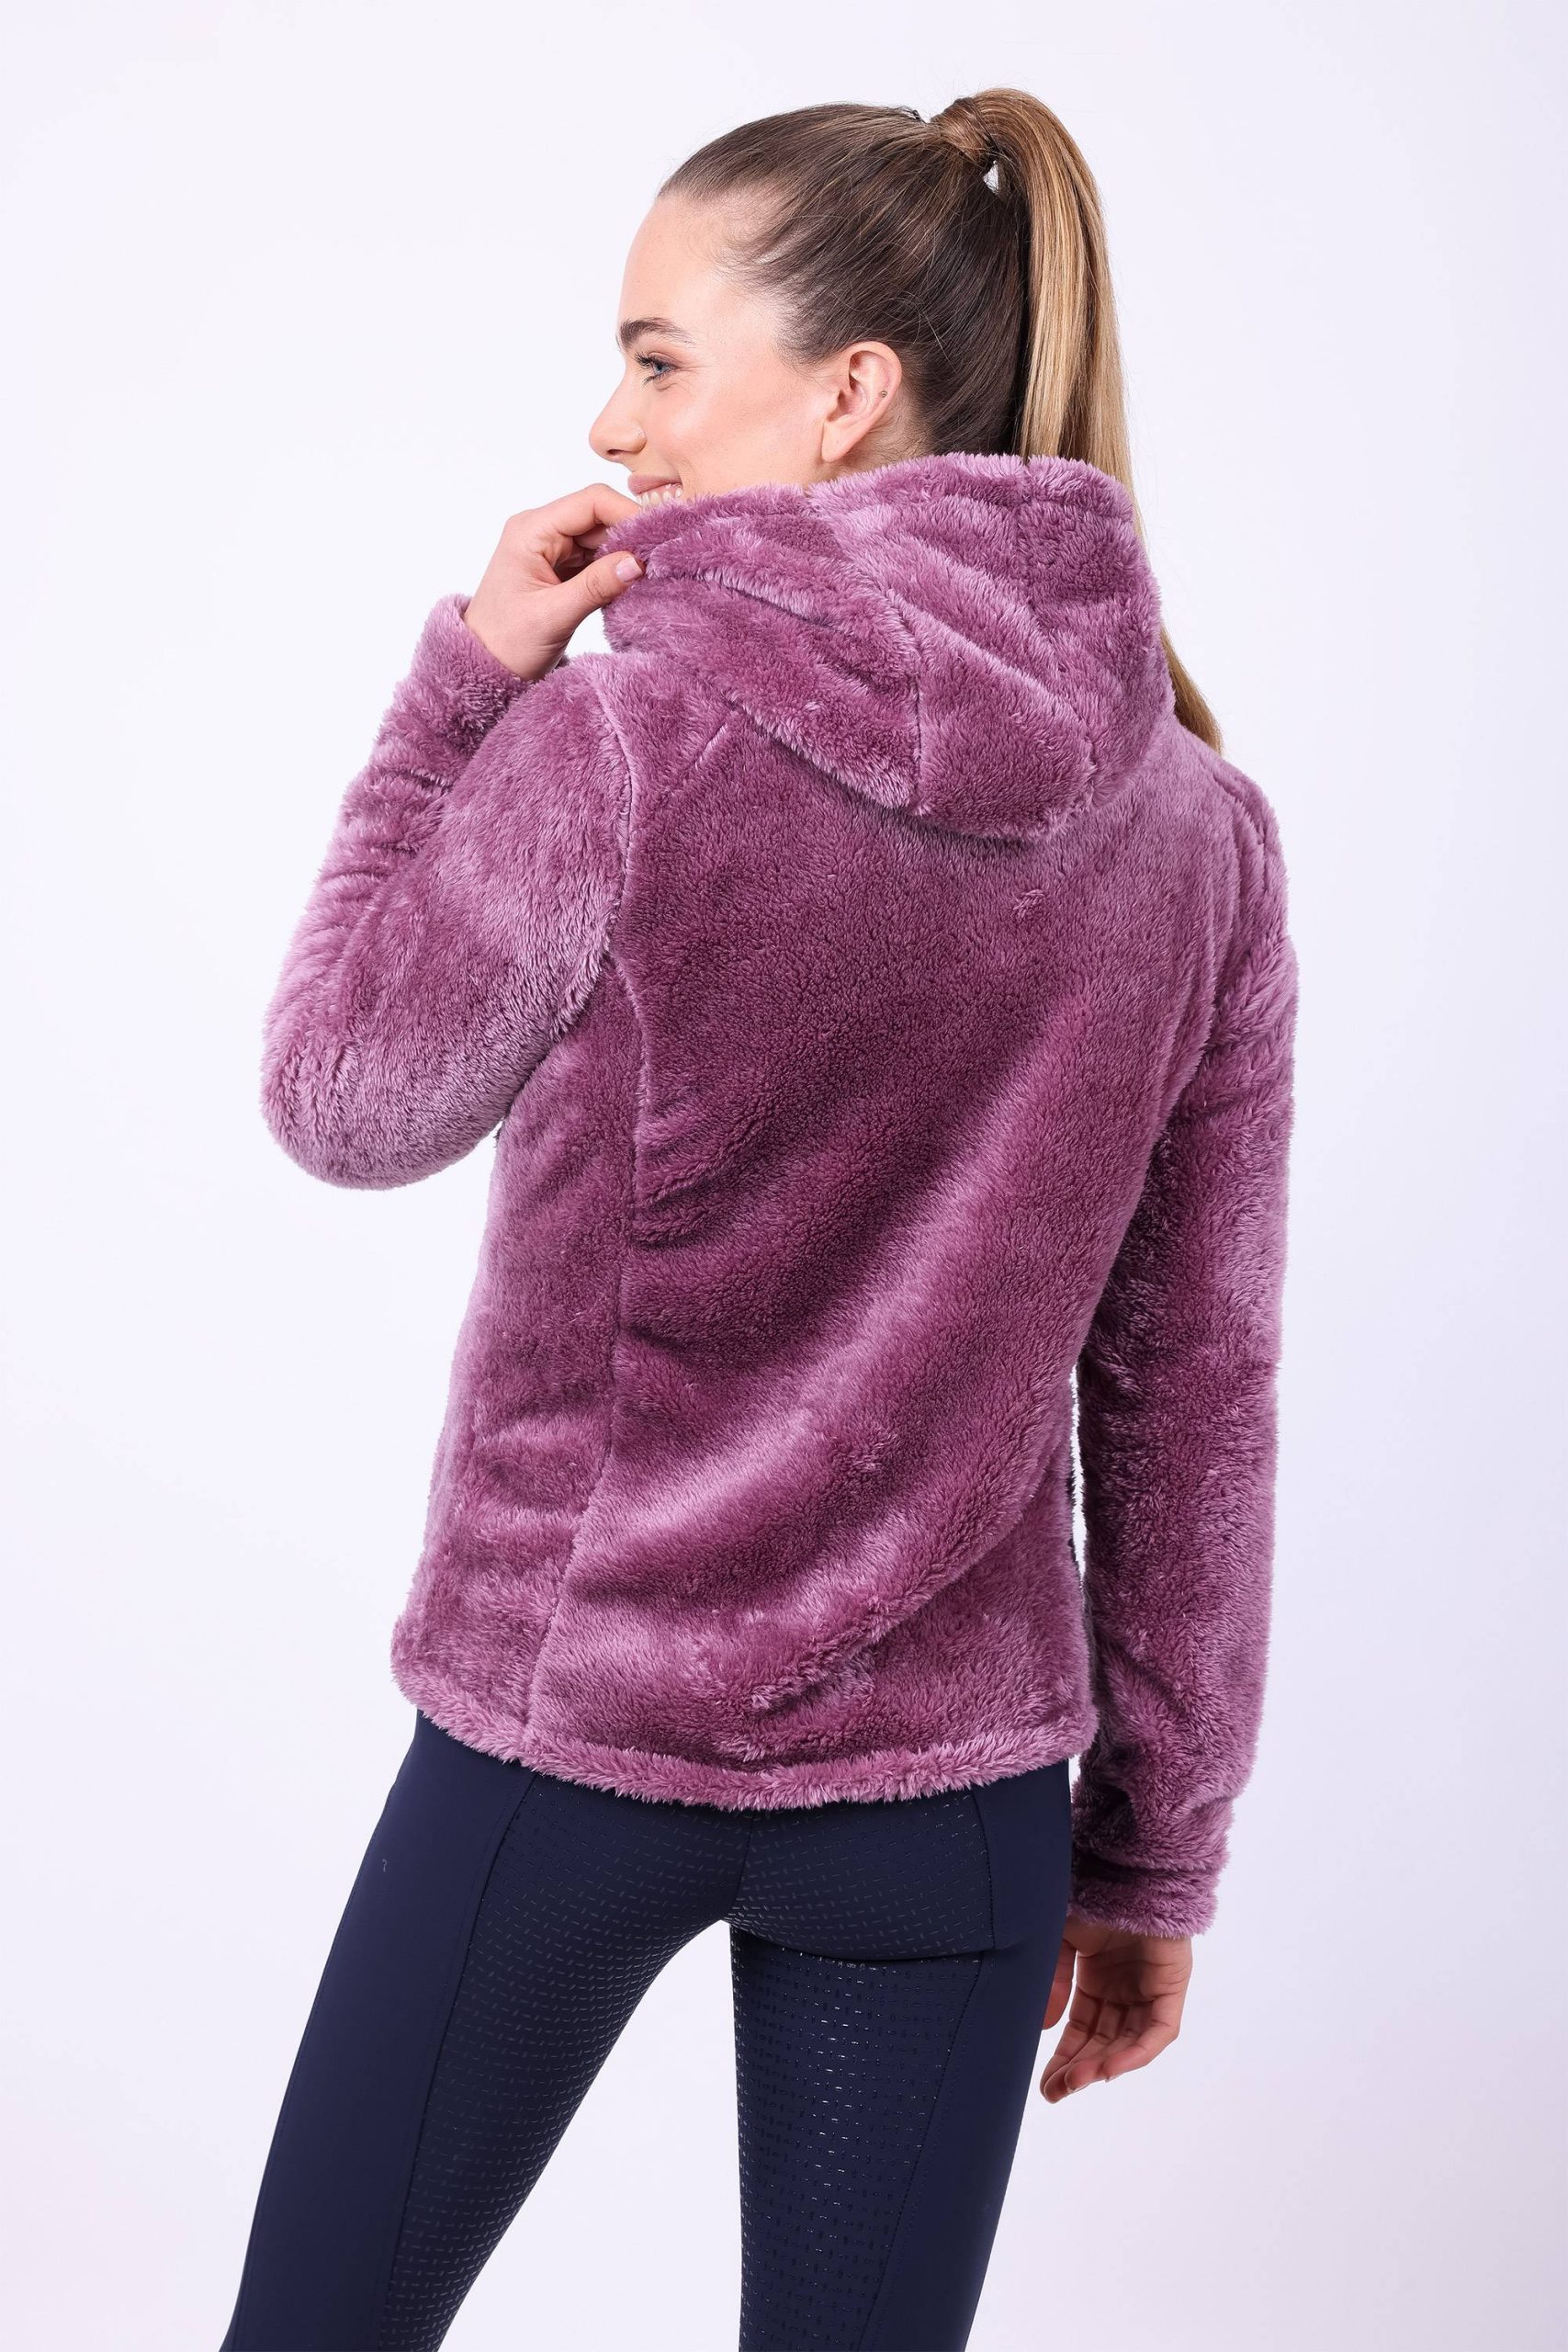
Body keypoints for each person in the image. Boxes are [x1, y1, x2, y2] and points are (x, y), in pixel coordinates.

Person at [218, 85, 1299, 2352]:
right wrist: (1149, 1851)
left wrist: (460, 688)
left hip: (569, 1738)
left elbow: (341, 1100)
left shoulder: (618, 748)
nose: (609, 424)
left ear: (844, 394)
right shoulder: (1198, 834)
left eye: (654, 358)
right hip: (953, 1799)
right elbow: (1189, 1392)